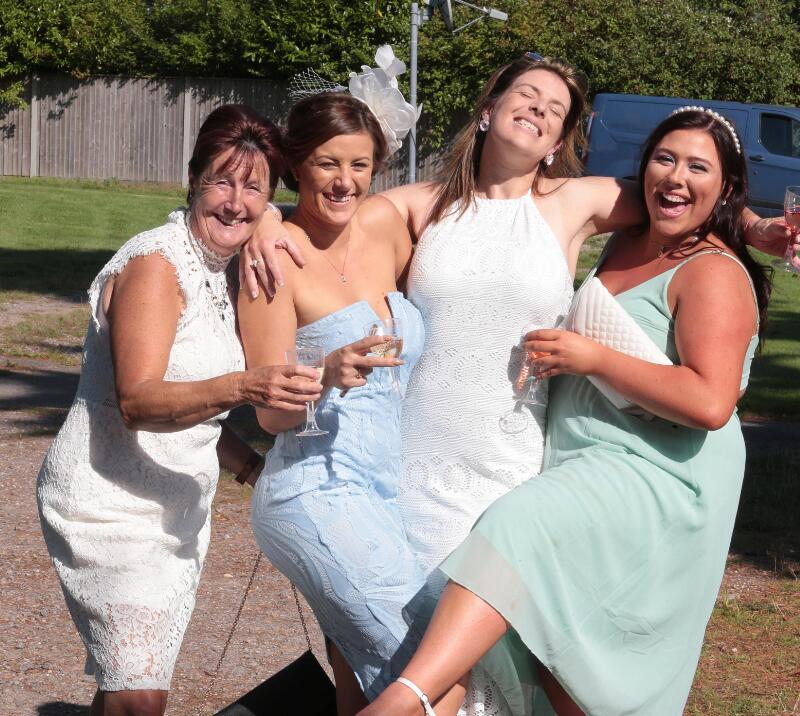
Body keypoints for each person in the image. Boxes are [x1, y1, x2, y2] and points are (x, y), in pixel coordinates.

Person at [242, 54, 795, 715]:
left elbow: (688, 201)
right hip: (411, 466)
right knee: (373, 666)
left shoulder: (575, 204)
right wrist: (268, 222)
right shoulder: (423, 207)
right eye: (525, 95)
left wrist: (759, 228)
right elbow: (327, 211)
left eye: (554, 109)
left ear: (559, 140)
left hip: (506, 470)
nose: (537, 109)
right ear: (488, 108)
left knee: (473, 677)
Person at [358, 106, 772, 716]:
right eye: (665, 159)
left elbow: (710, 402)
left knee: (514, 528)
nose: (676, 178)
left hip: (657, 475)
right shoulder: (631, 238)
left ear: (727, 188)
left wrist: (592, 358)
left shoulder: (711, 272)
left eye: (698, 168)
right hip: (586, 456)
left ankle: (402, 701)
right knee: (555, 653)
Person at [36, 104, 322, 716]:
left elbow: (192, 404)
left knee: (130, 683)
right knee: (140, 694)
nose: (236, 202)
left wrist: (250, 466)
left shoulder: (227, 270)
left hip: (177, 513)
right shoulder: (156, 266)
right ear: (193, 179)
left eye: (254, 189)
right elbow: (140, 401)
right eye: (223, 180)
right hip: (109, 507)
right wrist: (249, 386)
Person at [238, 89, 427, 715]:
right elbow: (268, 413)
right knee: (422, 665)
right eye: (327, 164)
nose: (344, 182)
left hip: (386, 488)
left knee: (361, 679)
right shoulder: (274, 262)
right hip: (314, 490)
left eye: (359, 165)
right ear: (297, 165)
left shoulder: (385, 229)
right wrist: (323, 373)